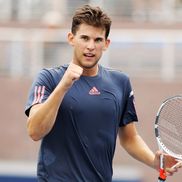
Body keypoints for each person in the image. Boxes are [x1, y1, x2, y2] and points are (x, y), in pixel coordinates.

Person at [25, 4, 180, 182]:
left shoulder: (120, 82)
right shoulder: (49, 78)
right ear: (71, 38)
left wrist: (155, 161)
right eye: (84, 38)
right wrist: (63, 87)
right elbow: (35, 131)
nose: (91, 46)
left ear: (106, 44)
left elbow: (130, 138)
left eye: (97, 40)